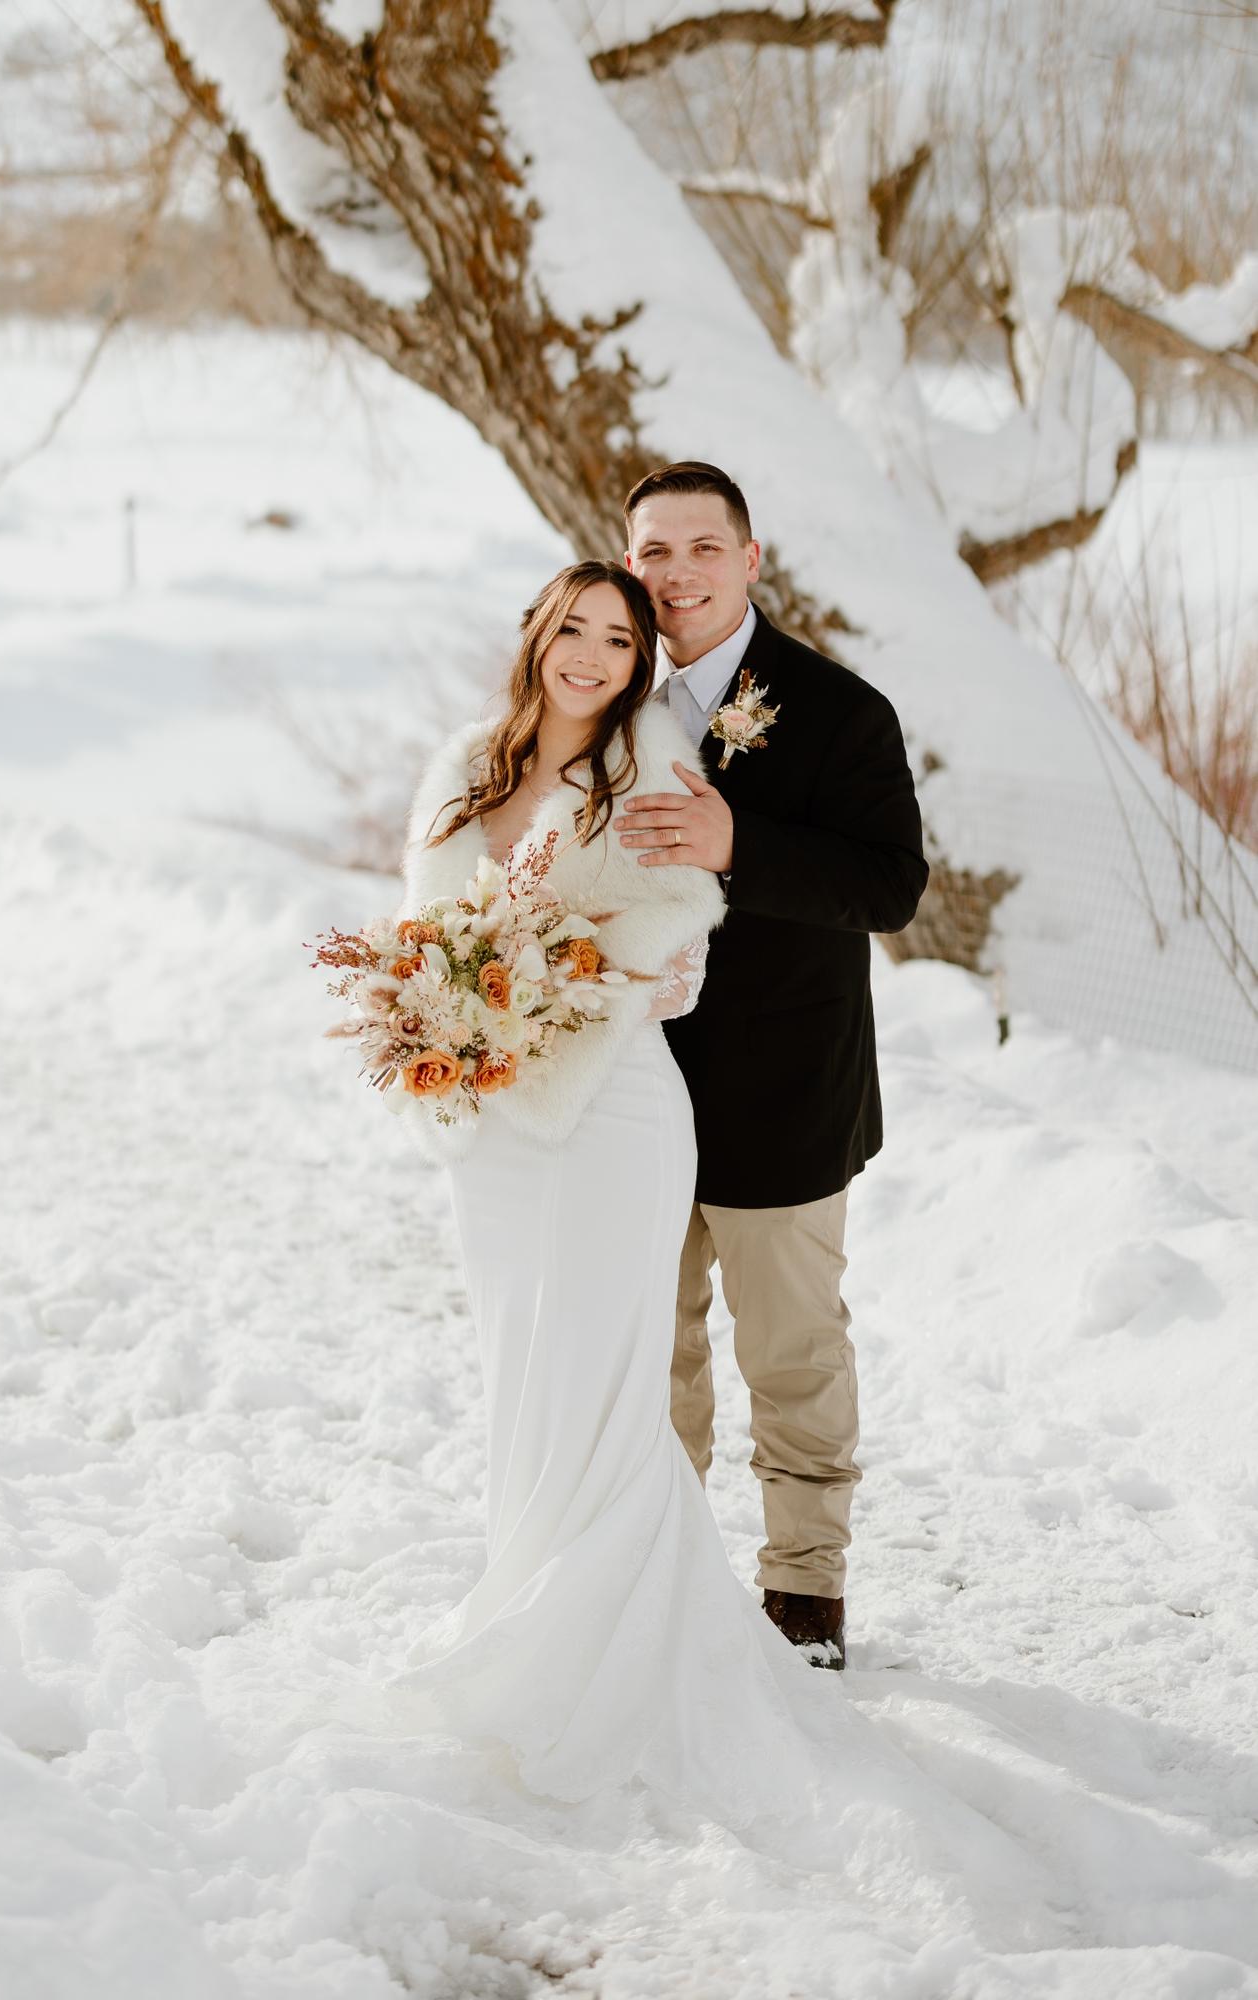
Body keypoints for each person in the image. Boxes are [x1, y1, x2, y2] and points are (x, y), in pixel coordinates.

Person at [381, 559, 868, 1826]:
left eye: (616, 638)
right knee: (521, 1368)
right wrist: (445, 1010)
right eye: (574, 629)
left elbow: (674, 945)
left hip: (613, 1112)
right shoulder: (464, 768)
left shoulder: (648, 773)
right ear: (536, 634)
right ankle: (521, 1596)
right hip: (495, 1129)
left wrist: (559, 978)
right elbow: (423, 934)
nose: (590, 655)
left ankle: (611, 1647)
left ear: (638, 664)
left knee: (605, 1373)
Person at [617, 462, 929, 1671]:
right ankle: (664, 1569)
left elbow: (888, 886)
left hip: (783, 1096)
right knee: (649, 1355)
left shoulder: (839, 710)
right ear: (629, 563)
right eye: (654, 550)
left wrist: (736, 840)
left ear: (748, 560)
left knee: (791, 1353)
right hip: (635, 1094)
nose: (677, 572)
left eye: (703, 547)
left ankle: (804, 1589)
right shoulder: (609, 697)